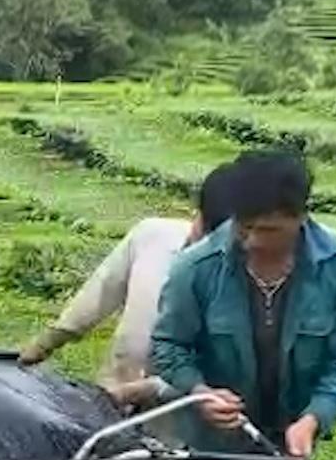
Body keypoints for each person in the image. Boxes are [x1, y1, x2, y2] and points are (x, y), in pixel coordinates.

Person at [149, 149, 336, 460]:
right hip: (212, 445)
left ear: (300, 216)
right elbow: (169, 346)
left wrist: (314, 418)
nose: (253, 240)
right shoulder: (196, 267)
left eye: (268, 229)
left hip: (287, 441)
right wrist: (200, 391)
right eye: (245, 227)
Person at [18, 161, 246, 409]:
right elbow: (99, 294)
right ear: (199, 213)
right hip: (113, 393)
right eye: (203, 236)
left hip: (177, 420)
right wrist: (44, 345)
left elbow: (225, 373)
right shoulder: (152, 236)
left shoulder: (245, 285)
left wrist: (149, 390)